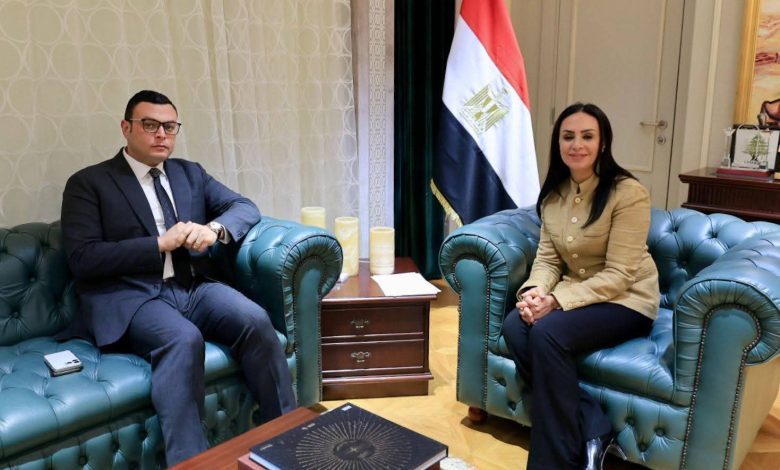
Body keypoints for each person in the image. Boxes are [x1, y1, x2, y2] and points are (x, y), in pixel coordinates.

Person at [61, 90, 296, 466]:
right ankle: (191, 463)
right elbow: (82, 258)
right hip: (132, 296)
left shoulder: (190, 173)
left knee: (254, 319)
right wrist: (158, 244)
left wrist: (213, 230)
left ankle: (288, 440)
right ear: (126, 128)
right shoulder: (89, 183)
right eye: (149, 125)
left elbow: (243, 207)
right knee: (183, 339)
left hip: (192, 287)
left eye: (169, 127)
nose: (161, 135)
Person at [501, 102, 659, 469]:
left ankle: (553, 463)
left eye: (587, 136)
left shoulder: (628, 193)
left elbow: (620, 275)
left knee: (547, 333)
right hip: (577, 296)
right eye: (568, 136)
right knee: (515, 325)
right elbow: (548, 260)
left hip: (628, 301)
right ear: (558, 143)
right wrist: (535, 293)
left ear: (603, 143)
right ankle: (592, 426)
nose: (577, 145)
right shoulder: (554, 195)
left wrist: (555, 301)